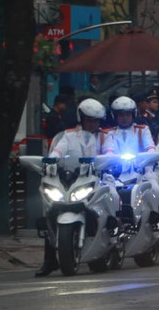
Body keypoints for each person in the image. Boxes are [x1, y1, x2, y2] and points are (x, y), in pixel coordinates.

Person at [38, 99, 110, 276]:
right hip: (72, 179)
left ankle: (109, 242)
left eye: (96, 120)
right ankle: (49, 260)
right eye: (89, 120)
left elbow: (110, 152)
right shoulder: (69, 135)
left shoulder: (105, 136)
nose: (93, 124)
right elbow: (58, 151)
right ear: (81, 118)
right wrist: (51, 160)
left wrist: (110, 160)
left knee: (113, 195)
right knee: (50, 209)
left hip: (99, 177)